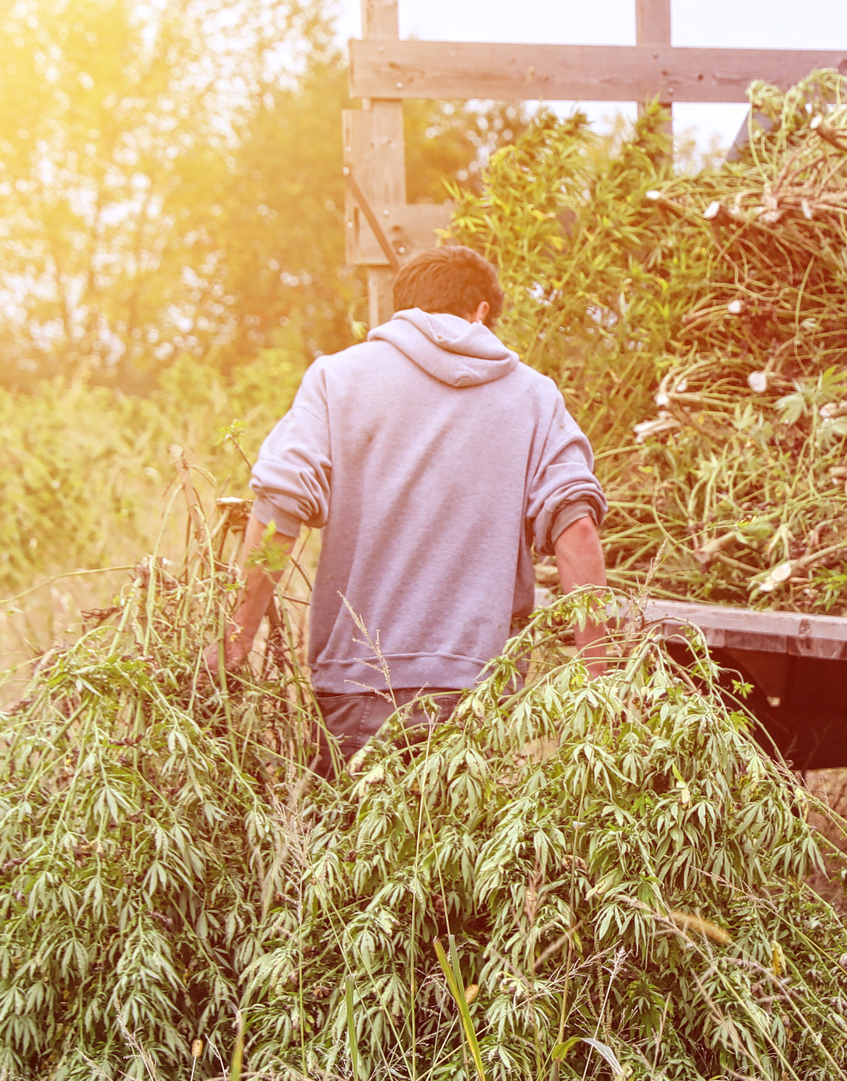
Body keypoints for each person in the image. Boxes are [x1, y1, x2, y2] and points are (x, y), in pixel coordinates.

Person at [214, 244, 610, 758]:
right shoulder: (535, 398)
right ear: (482, 312)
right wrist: (596, 680)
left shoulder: (338, 378)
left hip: (359, 688)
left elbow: (279, 512)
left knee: (348, 838)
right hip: (481, 696)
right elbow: (577, 531)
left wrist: (238, 638)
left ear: (402, 309)